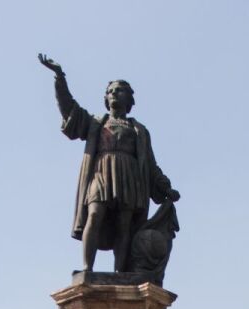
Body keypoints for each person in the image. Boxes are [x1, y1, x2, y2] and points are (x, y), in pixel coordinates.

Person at [39, 54, 179, 274]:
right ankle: (87, 269)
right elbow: (70, 111)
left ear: (130, 100)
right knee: (94, 214)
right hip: (102, 173)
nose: (114, 93)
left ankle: (119, 273)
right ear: (106, 98)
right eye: (111, 90)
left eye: (119, 90)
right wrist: (60, 78)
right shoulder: (96, 122)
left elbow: (151, 165)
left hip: (129, 178)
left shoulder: (139, 130)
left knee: (125, 225)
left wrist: (165, 187)